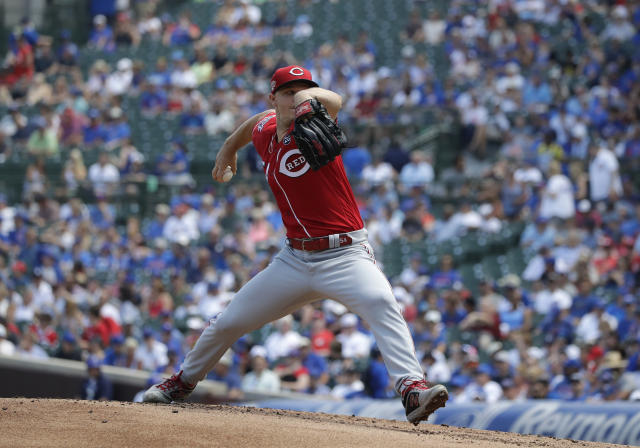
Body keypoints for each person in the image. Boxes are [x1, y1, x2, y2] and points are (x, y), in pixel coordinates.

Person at [142, 65, 448, 425]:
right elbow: (254, 123)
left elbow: (335, 100)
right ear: (273, 99)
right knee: (227, 322)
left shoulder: (316, 122)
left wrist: (307, 98)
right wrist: (227, 149)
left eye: (304, 90)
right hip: (295, 259)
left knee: (382, 302)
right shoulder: (267, 129)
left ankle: (411, 389)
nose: (297, 96)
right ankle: (182, 382)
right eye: (288, 91)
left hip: (345, 254)